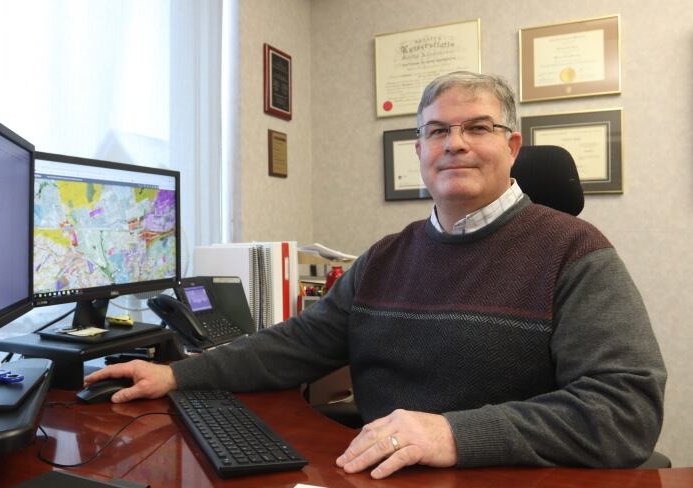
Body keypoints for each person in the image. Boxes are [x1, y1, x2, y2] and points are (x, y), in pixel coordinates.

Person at [85, 71, 666, 479]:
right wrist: (177, 376)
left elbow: (625, 412)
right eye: (438, 131)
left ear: (512, 146)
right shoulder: (387, 256)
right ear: (419, 150)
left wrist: (453, 434)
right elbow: (297, 345)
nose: (455, 144)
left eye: (477, 128)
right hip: (380, 473)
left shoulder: (575, 252)